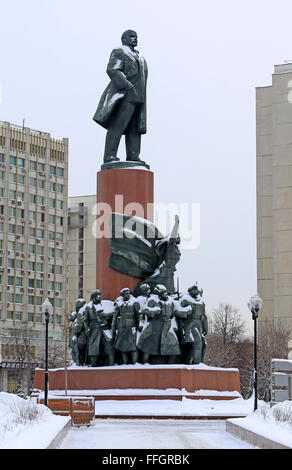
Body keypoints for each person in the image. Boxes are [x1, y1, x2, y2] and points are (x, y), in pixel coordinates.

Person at [93, 30, 148, 164]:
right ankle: (110, 155)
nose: (135, 39)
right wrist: (127, 85)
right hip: (125, 95)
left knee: (135, 129)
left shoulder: (141, 58)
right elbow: (112, 69)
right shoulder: (120, 51)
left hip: (139, 98)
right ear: (124, 39)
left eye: (136, 37)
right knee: (119, 125)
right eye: (131, 36)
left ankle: (133, 155)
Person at [138, 284, 180, 364]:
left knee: (174, 346)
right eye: (163, 292)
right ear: (158, 293)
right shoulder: (152, 300)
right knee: (148, 346)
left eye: (165, 292)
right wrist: (154, 311)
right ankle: (145, 363)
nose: (165, 294)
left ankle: (169, 365)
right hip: (155, 326)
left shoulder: (170, 301)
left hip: (167, 326)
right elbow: (144, 310)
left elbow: (173, 314)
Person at [176, 284, 208, 364]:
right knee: (197, 343)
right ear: (190, 291)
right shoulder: (185, 300)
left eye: (196, 290)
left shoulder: (201, 301)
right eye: (194, 290)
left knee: (203, 344)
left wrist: (205, 326)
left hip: (199, 325)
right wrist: (186, 312)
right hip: (190, 325)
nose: (196, 291)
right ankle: (197, 363)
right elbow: (177, 311)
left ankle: (198, 362)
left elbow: (204, 316)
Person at [83, 290, 115, 367]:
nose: (99, 296)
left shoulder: (104, 304)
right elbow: (86, 320)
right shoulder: (89, 307)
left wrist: (106, 315)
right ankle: (94, 364)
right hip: (94, 328)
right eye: (97, 295)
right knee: (94, 347)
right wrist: (87, 329)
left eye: (100, 295)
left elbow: (112, 314)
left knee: (109, 346)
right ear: (94, 297)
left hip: (105, 328)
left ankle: (111, 364)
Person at [111, 288, 141, 365]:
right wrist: (113, 328)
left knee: (133, 347)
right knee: (123, 346)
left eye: (128, 293)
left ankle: (135, 363)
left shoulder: (134, 302)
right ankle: (125, 363)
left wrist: (140, 325)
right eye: (126, 293)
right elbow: (115, 316)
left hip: (131, 327)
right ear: (122, 295)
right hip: (122, 327)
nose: (128, 294)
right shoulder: (119, 303)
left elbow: (138, 315)